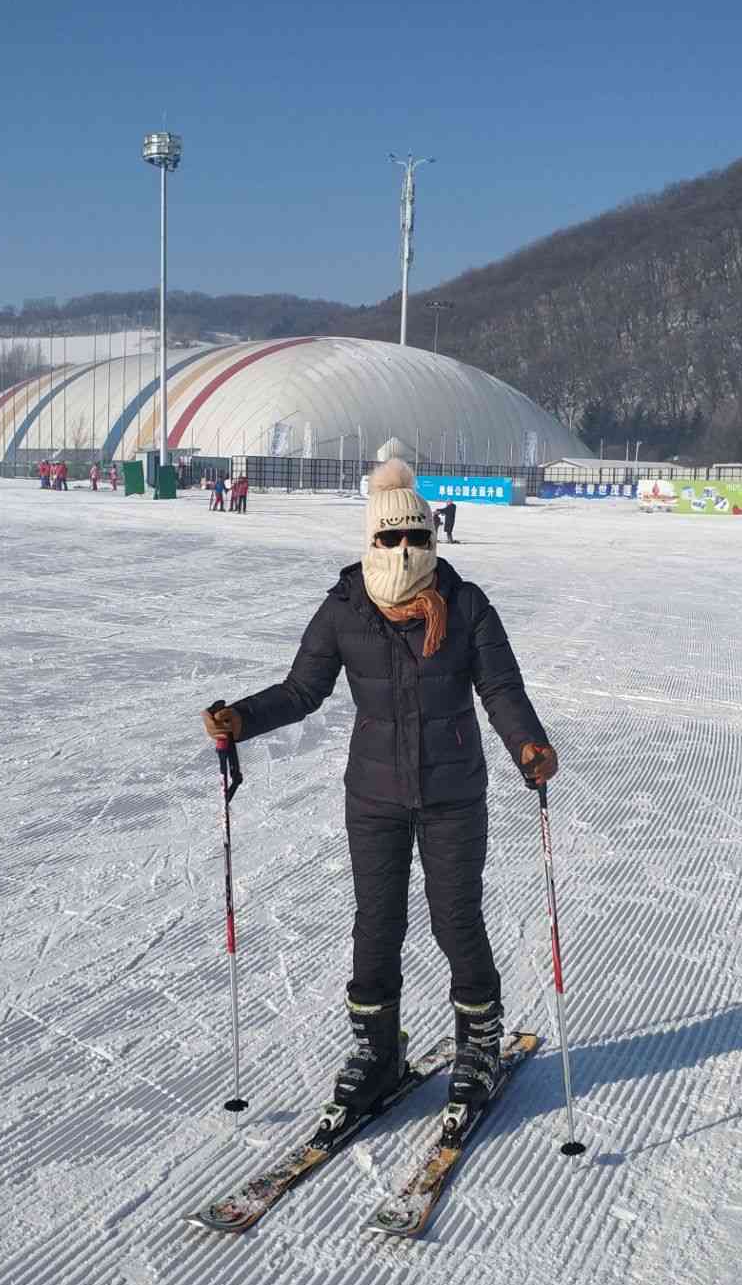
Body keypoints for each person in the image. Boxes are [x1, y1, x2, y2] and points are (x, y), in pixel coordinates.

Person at [201, 456, 557, 1117]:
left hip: (453, 793)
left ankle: (479, 1039)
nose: (404, 551)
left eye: (417, 538)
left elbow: (501, 688)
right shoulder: (345, 610)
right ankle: (377, 1048)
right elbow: (302, 690)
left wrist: (528, 744)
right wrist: (241, 718)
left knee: (457, 920)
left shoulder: (466, 606)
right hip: (375, 794)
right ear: (370, 540)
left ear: (432, 538)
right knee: (377, 924)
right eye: (390, 539)